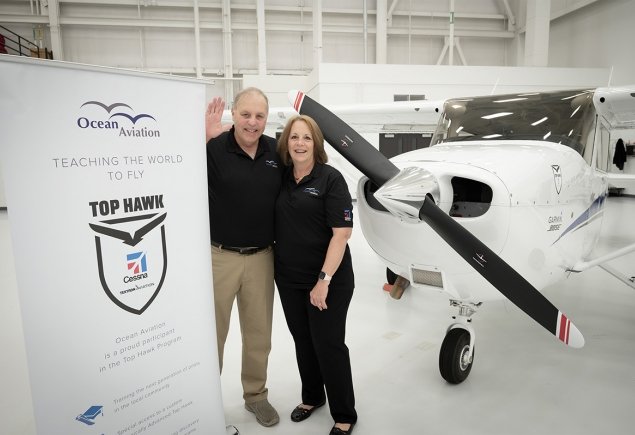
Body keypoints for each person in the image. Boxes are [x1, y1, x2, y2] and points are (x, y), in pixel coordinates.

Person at [274, 114, 358, 435]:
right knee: (303, 341)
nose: (299, 143)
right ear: (287, 143)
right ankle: (312, 397)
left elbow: (342, 234)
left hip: (328, 279)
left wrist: (323, 281)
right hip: (289, 278)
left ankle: (344, 413)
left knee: (328, 344)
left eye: (306, 137)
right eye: (294, 137)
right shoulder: (282, 177)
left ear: (316, 143)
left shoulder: (330, 179)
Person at [205, 87, 281, 427]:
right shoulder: (213, 148)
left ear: (267, 118)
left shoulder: (276, 152)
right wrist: (202, 140)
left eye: (259, 116)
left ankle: (256, 396)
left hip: (263, 256)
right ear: (233, 114)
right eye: (246, 114)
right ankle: (205, 399)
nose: (252, 122)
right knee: (212, 334)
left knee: (258, 334)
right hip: (219, 256)